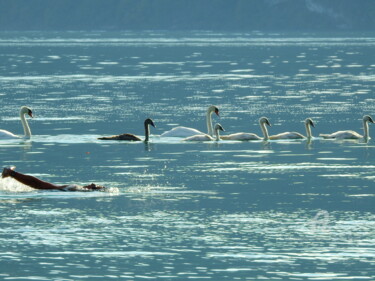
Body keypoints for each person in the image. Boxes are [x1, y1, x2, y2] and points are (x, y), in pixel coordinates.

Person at [2, 167, 106, 191]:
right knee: (38, 184)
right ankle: (11, 173)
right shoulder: (78, 188)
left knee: (37, 184)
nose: (92, 183)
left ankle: (12, 173)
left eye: (94, 185)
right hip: (61, 189)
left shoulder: (80, 189)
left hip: (59, 189)